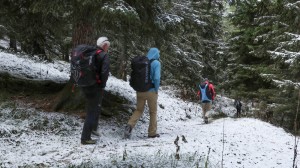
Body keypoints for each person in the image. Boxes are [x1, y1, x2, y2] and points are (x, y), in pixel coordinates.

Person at [124, 48, 161, 139]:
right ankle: (152, 133)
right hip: (151, 91)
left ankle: (129, 126)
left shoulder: (143, 62)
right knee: (153, 112)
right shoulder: (156, 63)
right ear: (156, 54)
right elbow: (156, 78)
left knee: (139, 110)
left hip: (140, 91)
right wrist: (156, 89)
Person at [80, 37, 110, 145]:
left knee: (91, 108)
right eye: (108, 45)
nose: (108, 48)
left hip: (85, 84)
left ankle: (92, 129)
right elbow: (104, 73)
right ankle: (85, 138)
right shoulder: (104, 55)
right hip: (95, 86)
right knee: (92, 111)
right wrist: (102, 85)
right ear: (105, 45)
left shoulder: (91, 53)